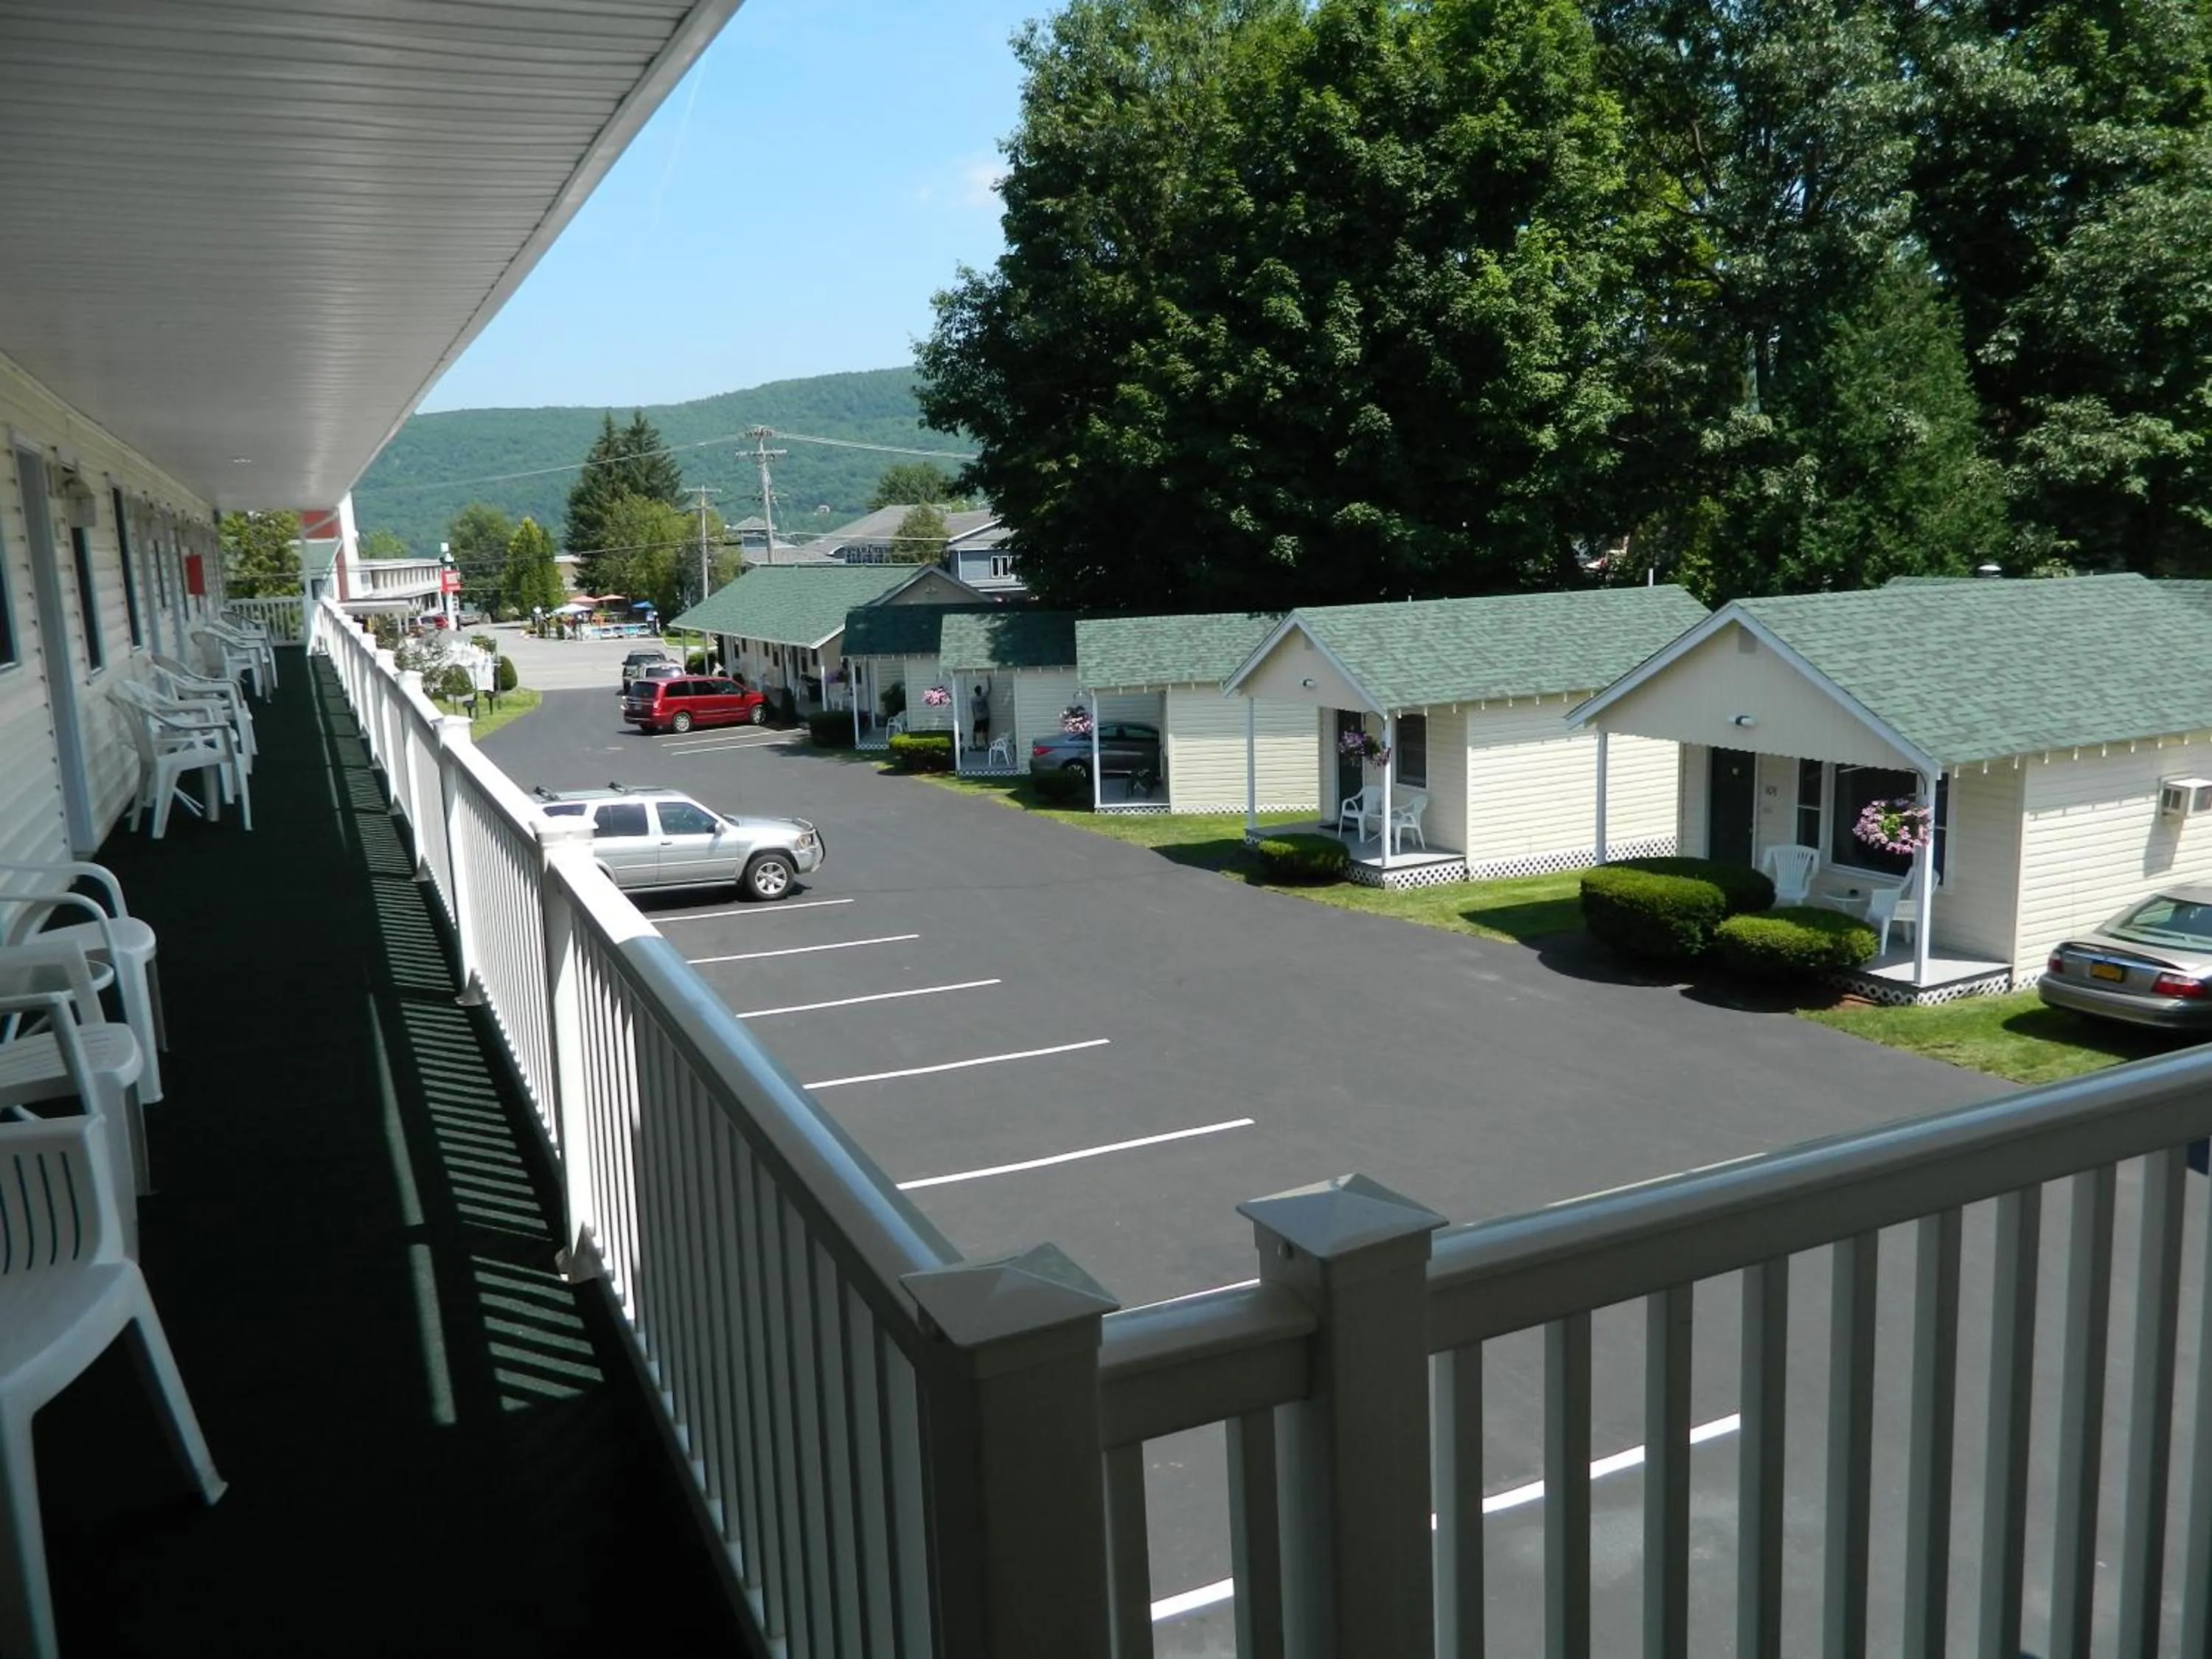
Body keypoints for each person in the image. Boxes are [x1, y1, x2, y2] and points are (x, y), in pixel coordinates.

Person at [970, 680, 992, 747]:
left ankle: (974, 744)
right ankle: (986, 744)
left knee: (975, 731)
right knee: (985, 731)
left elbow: (973, 709)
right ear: (980, 691)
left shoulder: (973, 699)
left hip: (978, 718)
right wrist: (989, 681)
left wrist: (974, 716)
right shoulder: (983, 697)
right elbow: (990, 690)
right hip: (985, 717)